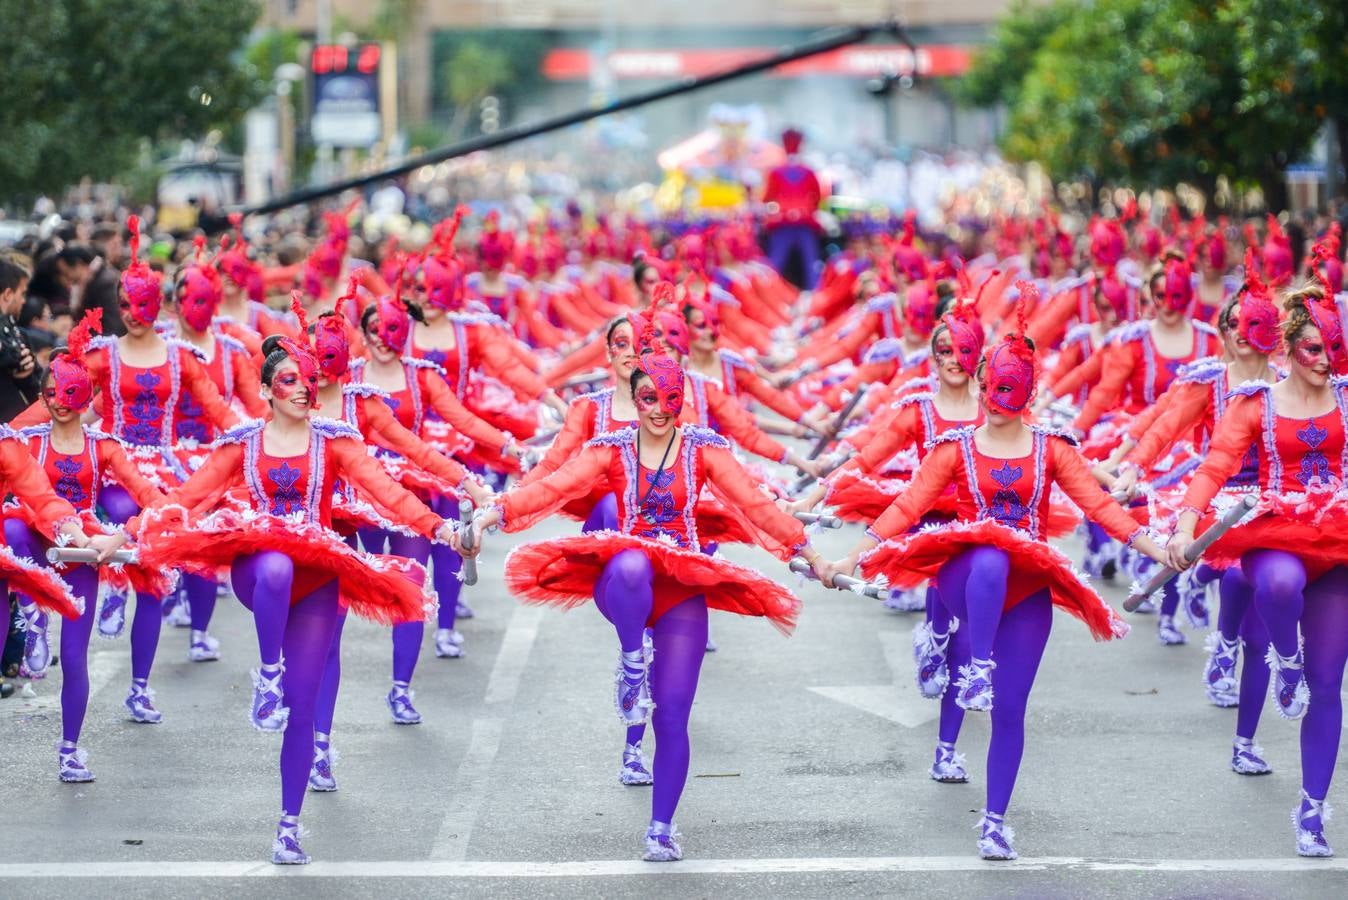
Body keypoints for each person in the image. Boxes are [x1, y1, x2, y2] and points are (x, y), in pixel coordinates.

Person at [820, 287, 1168, 860]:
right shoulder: (954, 447)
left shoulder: (1051, 449)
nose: (995, 397)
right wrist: (847, 558)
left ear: (1028, 391)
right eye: (990, 386)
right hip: (968, 576)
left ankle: (996, 819)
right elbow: (906, 507)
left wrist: (1157, 550)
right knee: (989, 556)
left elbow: (1100, 508)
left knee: (1011, 709)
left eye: (1009, 387)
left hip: (1027, 587)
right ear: (980, 385)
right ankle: (973, 663)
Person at [462, 350, 828, 862]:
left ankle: (661, 827)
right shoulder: (611, 448)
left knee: (673, 715)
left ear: (683, 398)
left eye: (669, 399)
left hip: (682, 584)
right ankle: (633, 659)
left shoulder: (703, 450)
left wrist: (810, 554)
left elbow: (754, 504)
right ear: (633, 399)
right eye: (648, 398)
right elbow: (553, 486)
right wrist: (490, 514)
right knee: (633, 561)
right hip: (626, 582)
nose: (659, 409)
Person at [129, 331, 461, 864]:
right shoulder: (243, 443)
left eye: (309, 381)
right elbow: (186, 499)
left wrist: (439, 528)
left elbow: (388, 493)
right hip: (259, 569)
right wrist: (122, 535)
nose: (304, 390)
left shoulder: (335, 441)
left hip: (318, 577)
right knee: (279, 565)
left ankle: (289, 824)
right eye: (289, 381)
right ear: (265, 390)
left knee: (304, 709)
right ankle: (267, 671)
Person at [1166, 281, 1348, 858]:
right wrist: (1185, 526)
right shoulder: (1255, 404)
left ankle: (1313, 810)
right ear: (1287, 351)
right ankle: (1283, 662)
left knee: (1329, 682)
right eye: (1313, 350)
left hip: (1338, 542)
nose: (1325, 361)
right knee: (1277, 582)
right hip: (1277, 531)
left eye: (1334, 349)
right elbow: (1215, 466)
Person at [0, 252, 40, 421]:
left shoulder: (17, 334)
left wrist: (25, 373)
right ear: (8, 294)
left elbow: (34, 388)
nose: (23, 301)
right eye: (22, 293)